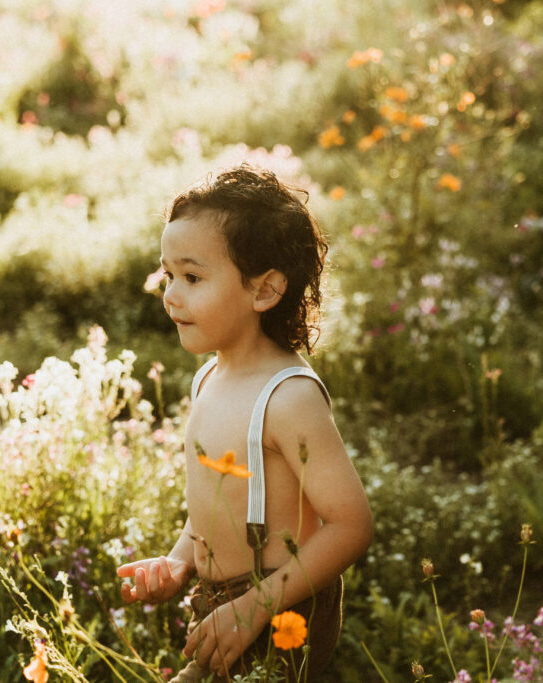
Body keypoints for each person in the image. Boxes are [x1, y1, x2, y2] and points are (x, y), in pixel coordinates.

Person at [116, 165, 373, 682]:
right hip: (224, 600)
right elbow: (214, 507)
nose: (171, 294)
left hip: (281, 603)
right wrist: (178, 561)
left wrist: (256, 604)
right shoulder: (210, 376)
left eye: (192, 277)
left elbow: (351, 526)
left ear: (264, 291)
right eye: (168, 275)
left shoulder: (287, 397)